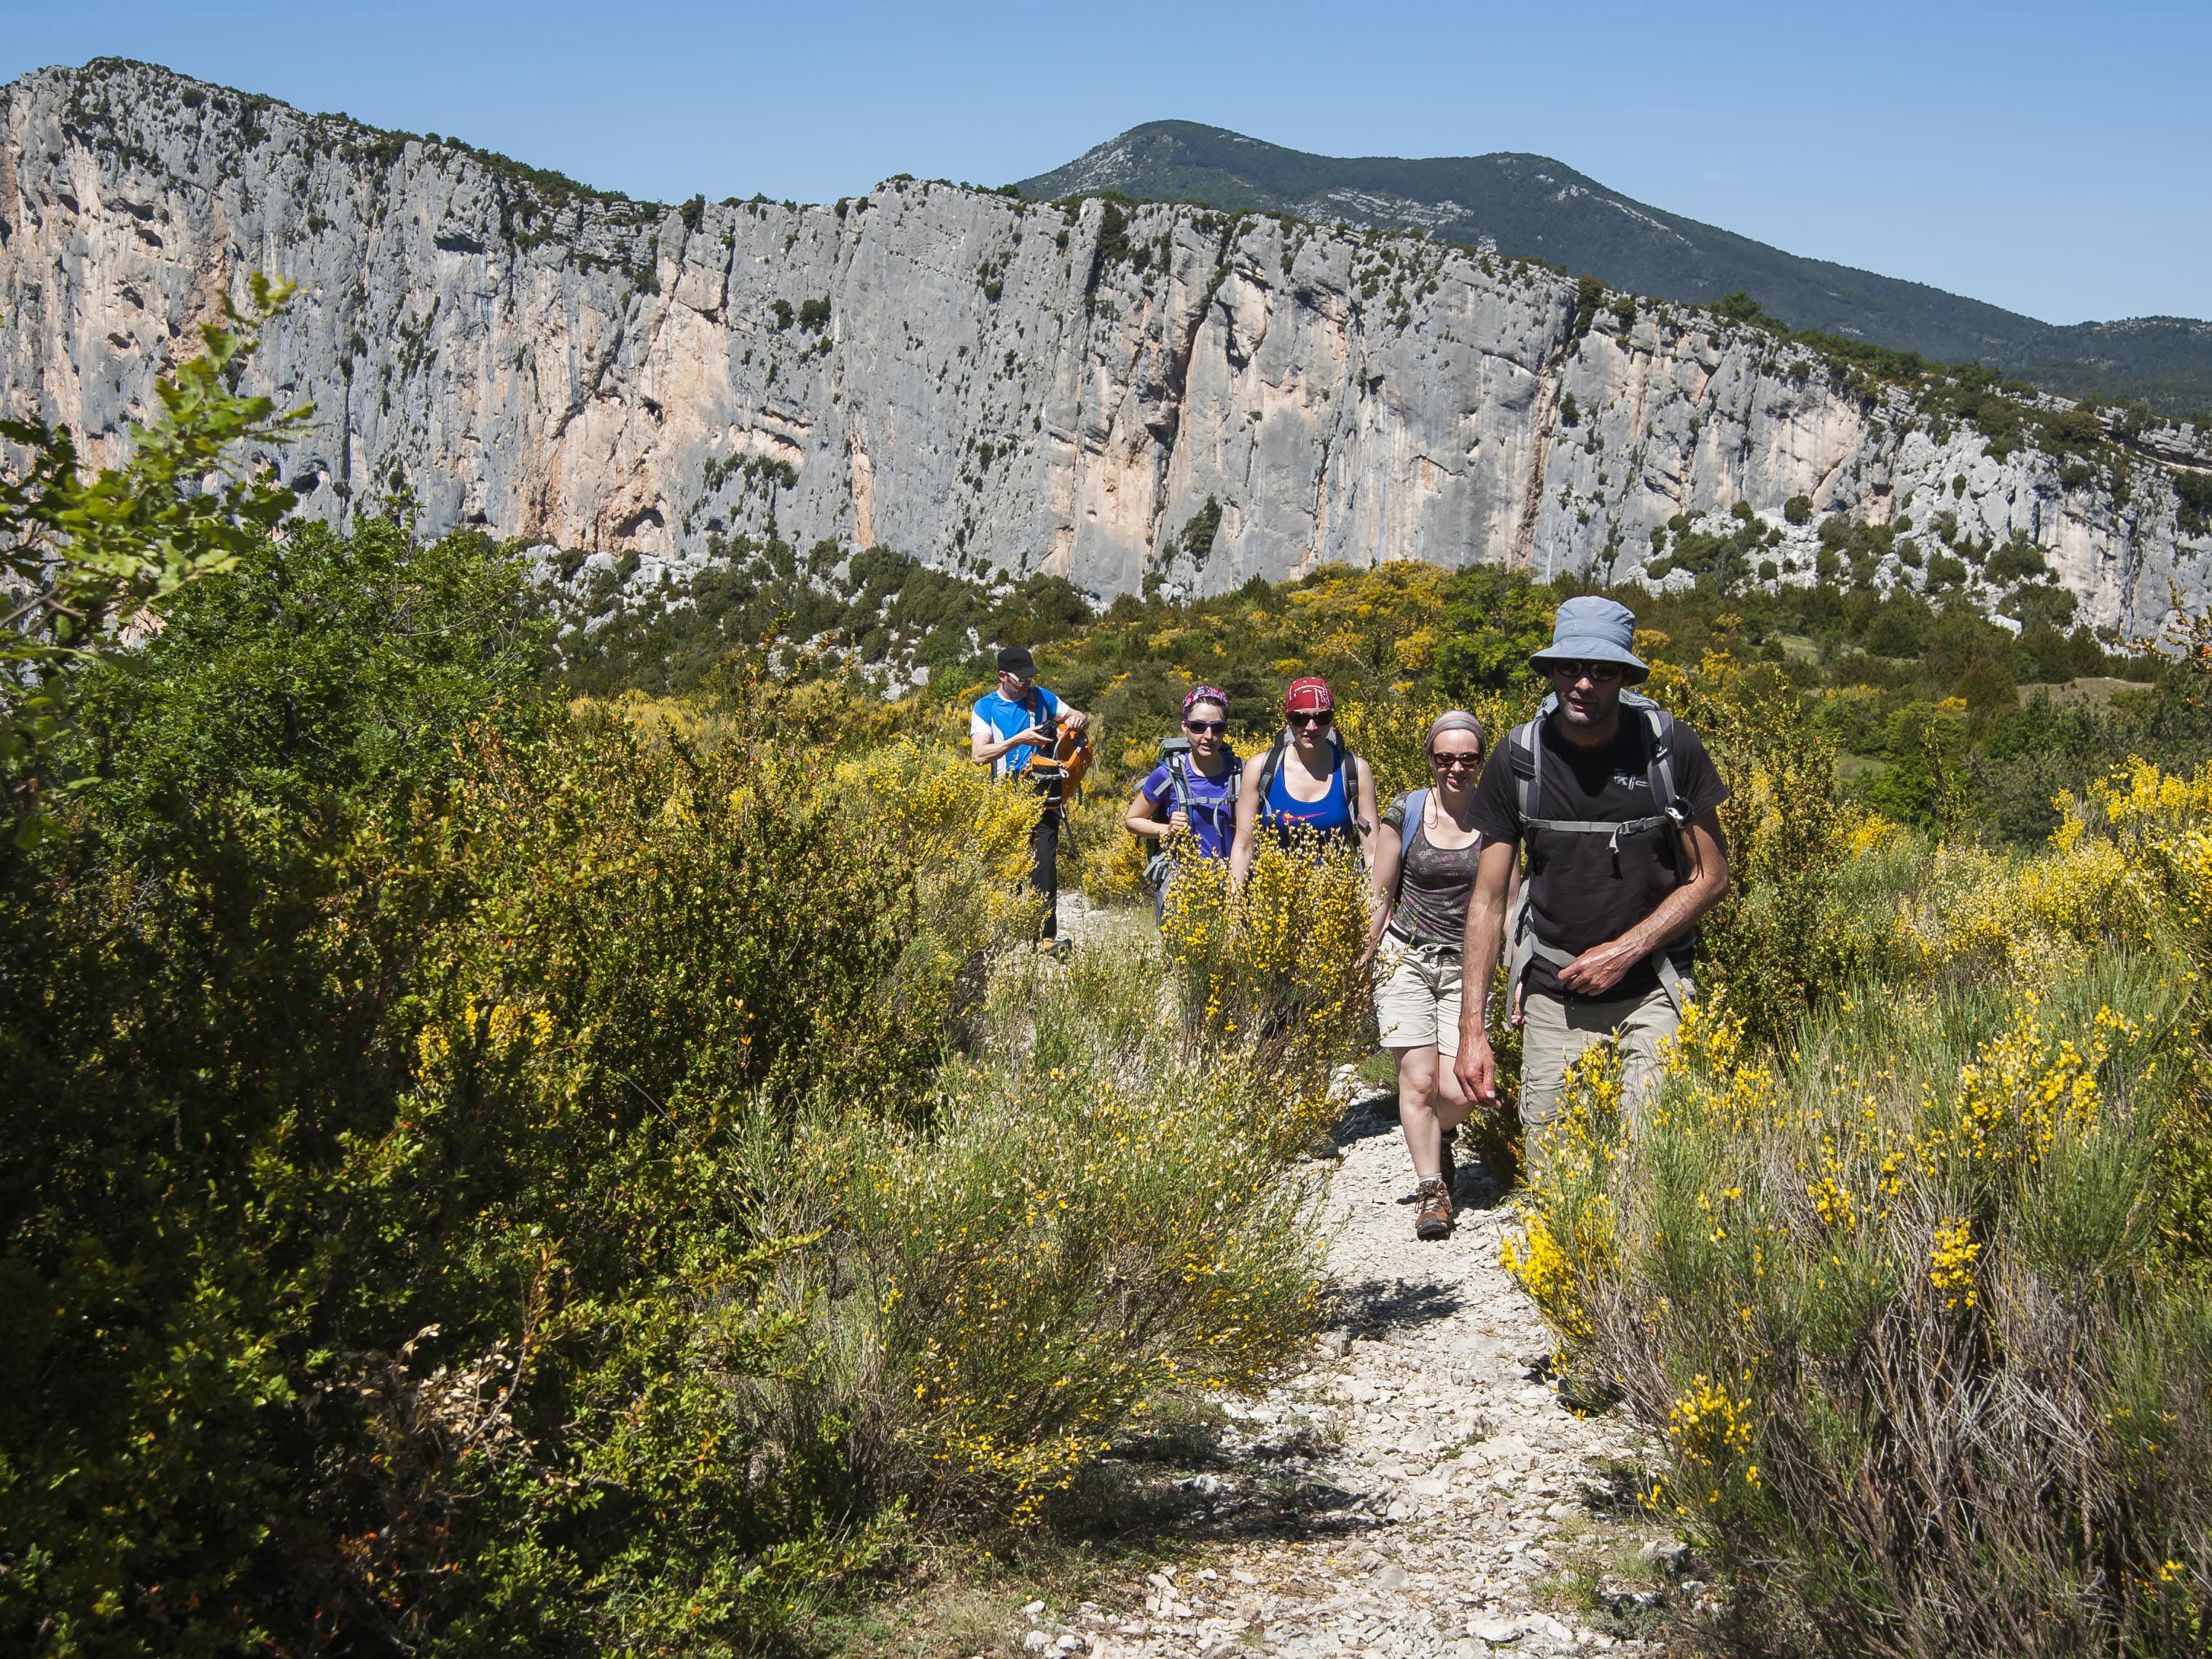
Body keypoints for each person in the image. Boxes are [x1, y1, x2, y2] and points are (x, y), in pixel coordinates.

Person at [1453, 596, 1730, 1180]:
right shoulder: (1517, 758)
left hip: (1653, 988)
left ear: (1626, 677)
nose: (1583, 683)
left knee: (1655, 1165)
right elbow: (1487, 899)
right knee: (1557, 1177)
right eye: (1569, 667)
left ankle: (1638, 1274)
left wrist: (1625, 950)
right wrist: (1471, 1031)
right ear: (1550, 670)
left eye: (1602, 671)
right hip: (1554, 995)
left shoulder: (1668, 748)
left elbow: (1711, 877)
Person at [1364, 711, 1491, 1240]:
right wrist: (1363, 955)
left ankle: (1437, 1139)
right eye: (1444, 758)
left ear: (1480, 762)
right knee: (1416, 1082)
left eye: (1467, 758)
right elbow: (1381, 890)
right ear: (1431, 760)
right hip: (1407, 957)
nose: (1455, 768)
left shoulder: (1497, 816)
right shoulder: (1408, 809)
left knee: (1459, 1090)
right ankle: (1431, 1191)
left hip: (1466, 965)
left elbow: (1504, 901)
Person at [970, 644, 1090, 950]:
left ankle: (1045, 938)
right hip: (1006, 794)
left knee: (1045, 864)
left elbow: (1077, 715)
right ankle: (1005, 937)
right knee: (1009, 866)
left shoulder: (1044, 697)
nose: (1026, 683)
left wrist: (1077, 719)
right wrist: (1018, 740)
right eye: (1019, 678)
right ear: (1002, 676)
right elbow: (979, 755)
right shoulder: (985, 707)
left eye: (1028, 677)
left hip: (1045, 791)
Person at [1229, 676, 1377, 883]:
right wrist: (1233, 908)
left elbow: (1371, 851)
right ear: (1288, 720)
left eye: (1321, 717)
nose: (1311, 727)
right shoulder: (1260, 768)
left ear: (1332, 718)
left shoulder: (1354, 770)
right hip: (1271, 902)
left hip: (1335, 903)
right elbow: (1243, 846)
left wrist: (1376, 908)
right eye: (1300, 718)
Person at [1125, 686, 1241, 919]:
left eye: (1217, 728)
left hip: (1233, 888)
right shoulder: (1168, 775)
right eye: (1198, 726)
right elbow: (1132, 820)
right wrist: (1166, 829)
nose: (1208, 736)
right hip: (1183, 889)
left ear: (1225, 729)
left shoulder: (1241, 772)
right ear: (1184, 726)